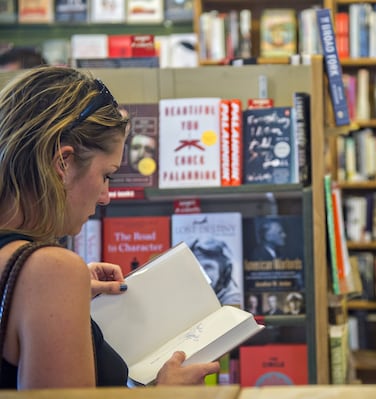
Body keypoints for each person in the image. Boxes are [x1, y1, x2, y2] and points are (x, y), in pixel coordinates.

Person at [0, 66, 220, 389]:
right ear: (63, 163)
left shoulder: (32, 272)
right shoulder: (50, 271)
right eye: (106, 176)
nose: (105, 197)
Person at [190, 238, 241, 306]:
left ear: (225, 271)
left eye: (208, 267)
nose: (201, 274)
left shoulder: (233, 299)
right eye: (198, 267)